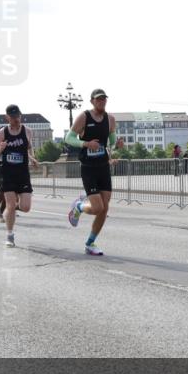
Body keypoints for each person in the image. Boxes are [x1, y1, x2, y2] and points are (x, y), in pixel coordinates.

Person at [65, 89, 122, 256]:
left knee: (104, 209)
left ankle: (90, 243)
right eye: (98, 100)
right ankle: (79, 207)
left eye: (104, 99)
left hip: (103, 166)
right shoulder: (84, 117)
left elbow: (110, 142)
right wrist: (86, 144)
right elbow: (69, 138)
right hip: (88, 168)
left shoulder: (110, 119)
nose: (101, 102)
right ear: (92, 101)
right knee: (97, 208)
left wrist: (117, 144)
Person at [0, 104, 38, 247]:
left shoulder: (27, 131)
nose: (16, 119)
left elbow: (28, 149)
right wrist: (0, 149)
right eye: (13, 117)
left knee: (26, 207)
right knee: (11, 205)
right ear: (7, 118)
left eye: (18, 116)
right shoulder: (2, 133)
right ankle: (10, 235)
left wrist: (32, 158)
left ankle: (7, 211)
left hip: (23, 173)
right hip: (8, 173)